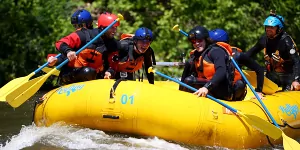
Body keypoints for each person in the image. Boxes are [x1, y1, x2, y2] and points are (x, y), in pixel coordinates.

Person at [52, 10, 118, 85]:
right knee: (88, 71)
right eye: (112, 28)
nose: (115, 30)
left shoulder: (113, 44)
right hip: (72, 73)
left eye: (115, 27)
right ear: (102, 28)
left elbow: (113, 64)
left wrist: (109, 72)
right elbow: (60, 43)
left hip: (94, 76)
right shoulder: (83, 35)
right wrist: (68, 51)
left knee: (95, 72)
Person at [181, 26, 246, 101]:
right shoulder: (195, 56)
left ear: (206, 39)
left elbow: (221, 71)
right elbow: (184, 78)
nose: (197, 43)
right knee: (188, 77)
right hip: (210, 85)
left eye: (199, 40)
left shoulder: (216, 51)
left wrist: (206, 87)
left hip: (223, 88)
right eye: (193, 42)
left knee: (189, 80)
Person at [246, 11, 300, 91]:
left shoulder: (286, 41)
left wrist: (296, 80)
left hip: (288, 75)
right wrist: (238, 59)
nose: (268, 29)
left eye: (272, 27)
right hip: (272, 74)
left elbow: (296, 61)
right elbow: (249, 54)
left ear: (279, 29)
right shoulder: (264, 40)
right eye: (267, 27)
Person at [209, 29, 265, 99]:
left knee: (239, 84)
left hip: (233, 92)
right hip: (216, 89)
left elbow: (259, 69)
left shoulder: (238, 55)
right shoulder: (208, 55)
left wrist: (259, 92)